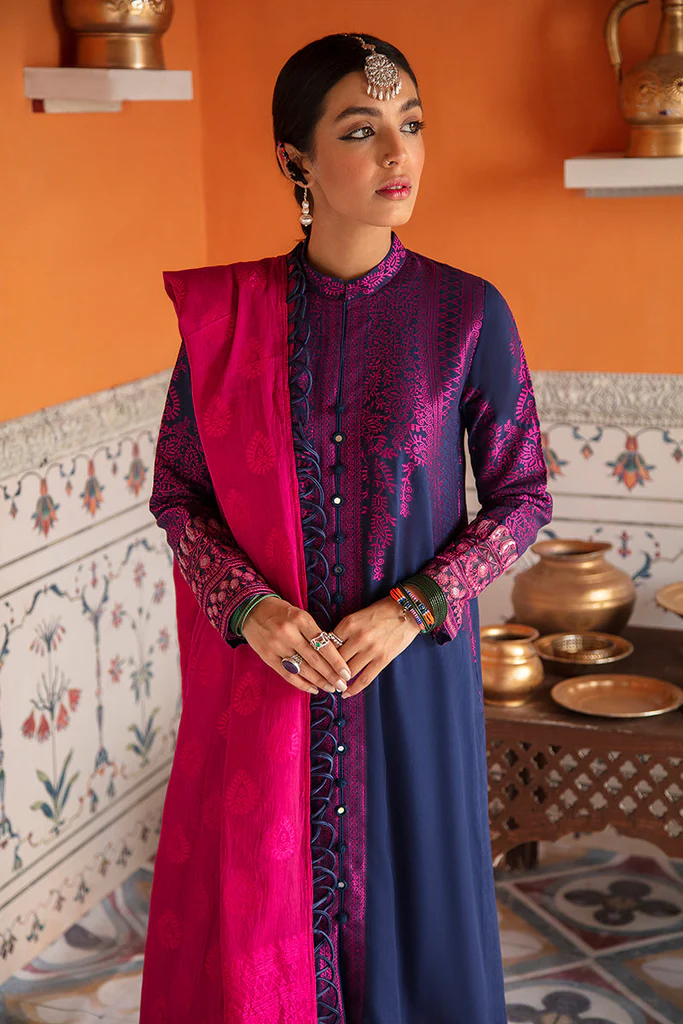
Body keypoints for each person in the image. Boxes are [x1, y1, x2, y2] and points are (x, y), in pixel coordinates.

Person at [140, 32, 552, 1024]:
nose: (399, 153)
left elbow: (522, 495)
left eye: (411, 124)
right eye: (361, 131)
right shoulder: (228, 320)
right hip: (269, 683)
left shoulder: (466, 314)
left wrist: (414, 607)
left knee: (414, 931)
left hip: (408, 680)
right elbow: (178, 493)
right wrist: (250, 610)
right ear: (296, 160)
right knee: (259, 940)